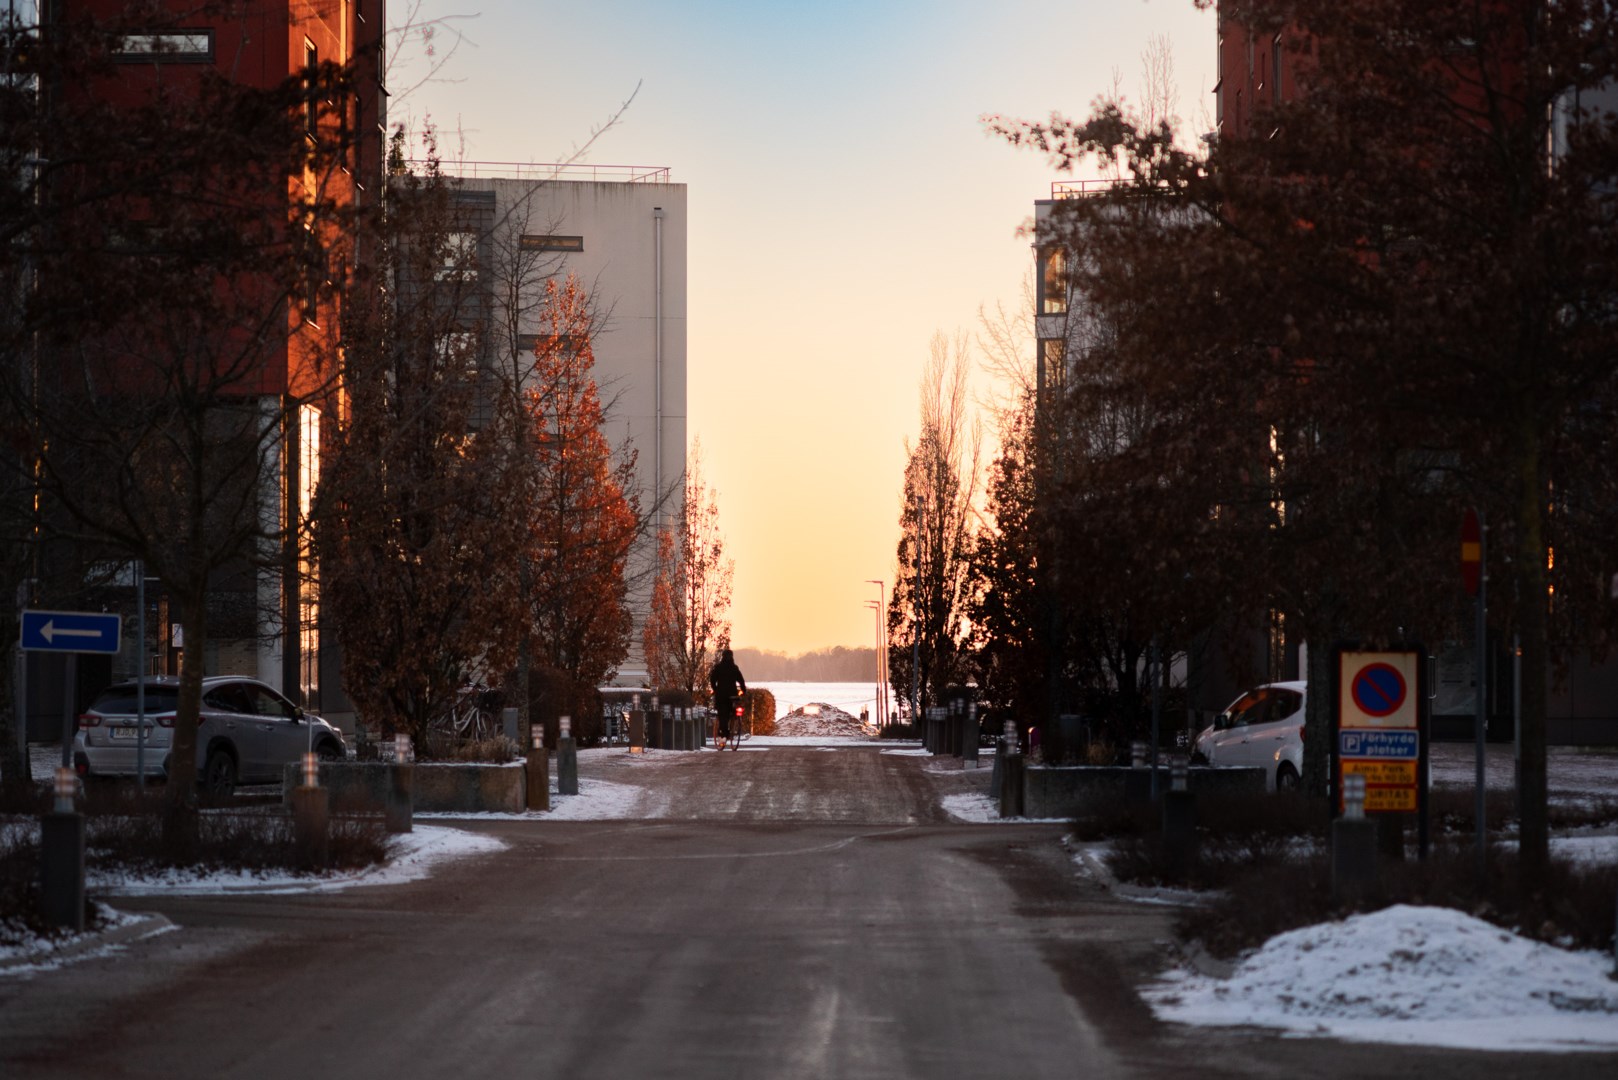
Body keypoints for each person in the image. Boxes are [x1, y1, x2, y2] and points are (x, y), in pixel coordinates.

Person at [708, 647, 748, 743]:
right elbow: (741, 680)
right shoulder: (734, 668)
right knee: (732, 710)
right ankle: (734, 721)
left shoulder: (718, 667)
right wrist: (743, 690)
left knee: (723, 715)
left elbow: (712, 680)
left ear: (722, 657)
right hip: (733, 695)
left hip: (721, 695)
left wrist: (715, 689)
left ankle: (724, 734)